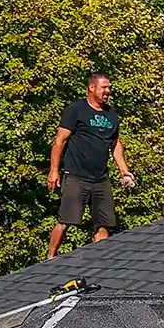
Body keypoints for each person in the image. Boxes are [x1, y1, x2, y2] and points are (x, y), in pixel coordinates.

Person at [46, 71, 137, 258]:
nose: (107, 91)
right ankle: (50, 257)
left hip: (100, 178)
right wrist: (53, 171)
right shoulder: (76, 110)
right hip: (76, 175)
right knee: (66, 220)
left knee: (104, 223)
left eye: (109, 88)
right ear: (92, 87)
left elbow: (116, 144)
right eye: (104, 87)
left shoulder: (111, 114)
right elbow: (59, 141)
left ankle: (100, 262)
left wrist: (124, 171)